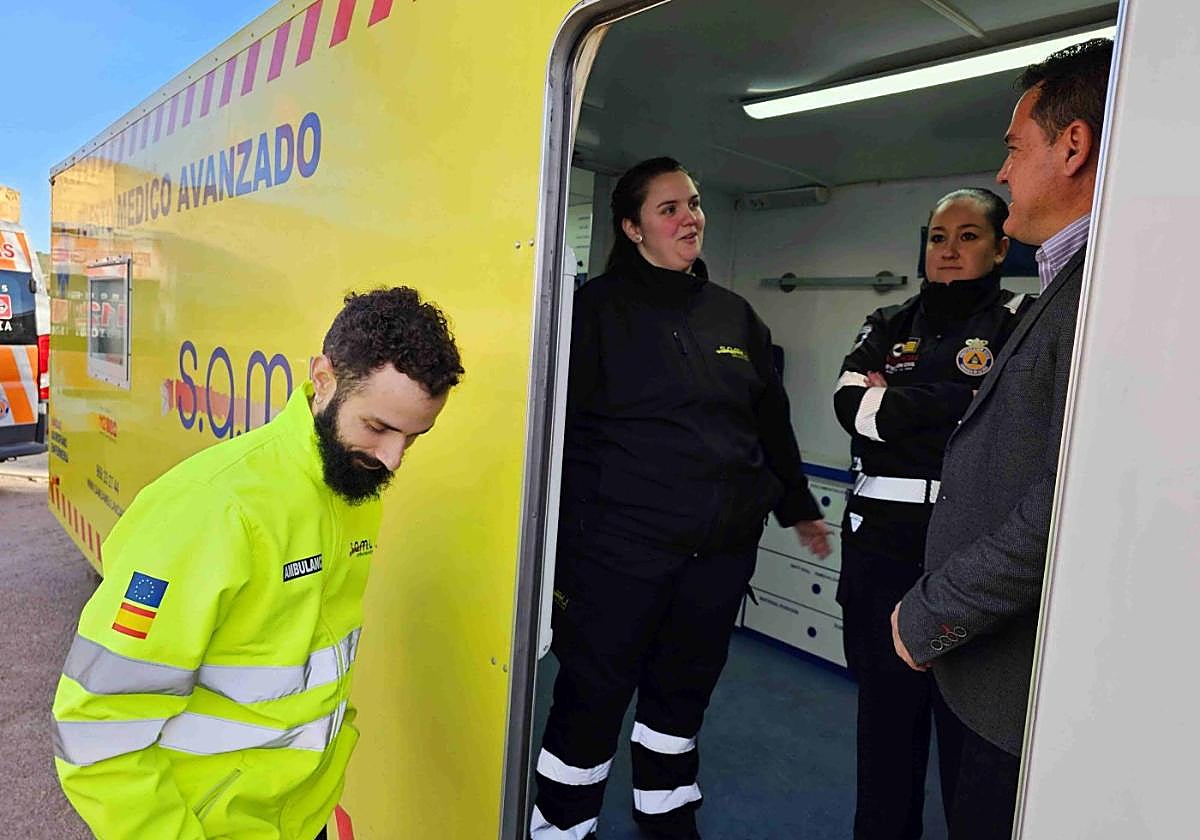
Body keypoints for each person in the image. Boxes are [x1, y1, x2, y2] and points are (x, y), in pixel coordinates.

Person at [51, 287, 463, 840]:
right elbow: (96, 731)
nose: (392, 459)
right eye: (378, 427)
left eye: (413, 438)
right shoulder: (214, 509)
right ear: (322, 378)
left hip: (299, 818)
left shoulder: (351, 492)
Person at [530, 157, 832, 840]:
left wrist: (797, 504)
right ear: (632, 227)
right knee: (593, 697)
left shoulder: (735, 316)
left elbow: (769, 423)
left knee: (682, 694)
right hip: (616, 557)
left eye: (693, 203)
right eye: (668, 208)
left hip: (717, 558)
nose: (689, 216)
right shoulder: (592, 312)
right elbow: (551, 432)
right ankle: (558, 828)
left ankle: (665, 815)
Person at [891, 38, 1113, 839]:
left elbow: (1073, 499)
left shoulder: (1105, 290)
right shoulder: (1065, 284)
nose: (1005, 172)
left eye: (1015, 149)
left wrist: (932, 614)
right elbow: (859, 410)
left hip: (1005, 678)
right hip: (984, 666)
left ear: (1073, 145)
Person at [834, 188, 1034, 840]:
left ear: (1001, 247)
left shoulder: (1020, 321)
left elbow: (1013, 429)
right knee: (884, 739)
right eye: (938, 237)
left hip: (966, 566)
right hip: (878, 559)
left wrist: (898, 407)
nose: (948, 251)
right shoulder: (887, 320)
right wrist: (962, 402)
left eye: (968, 235)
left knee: (968, 758)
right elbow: (851, 410)